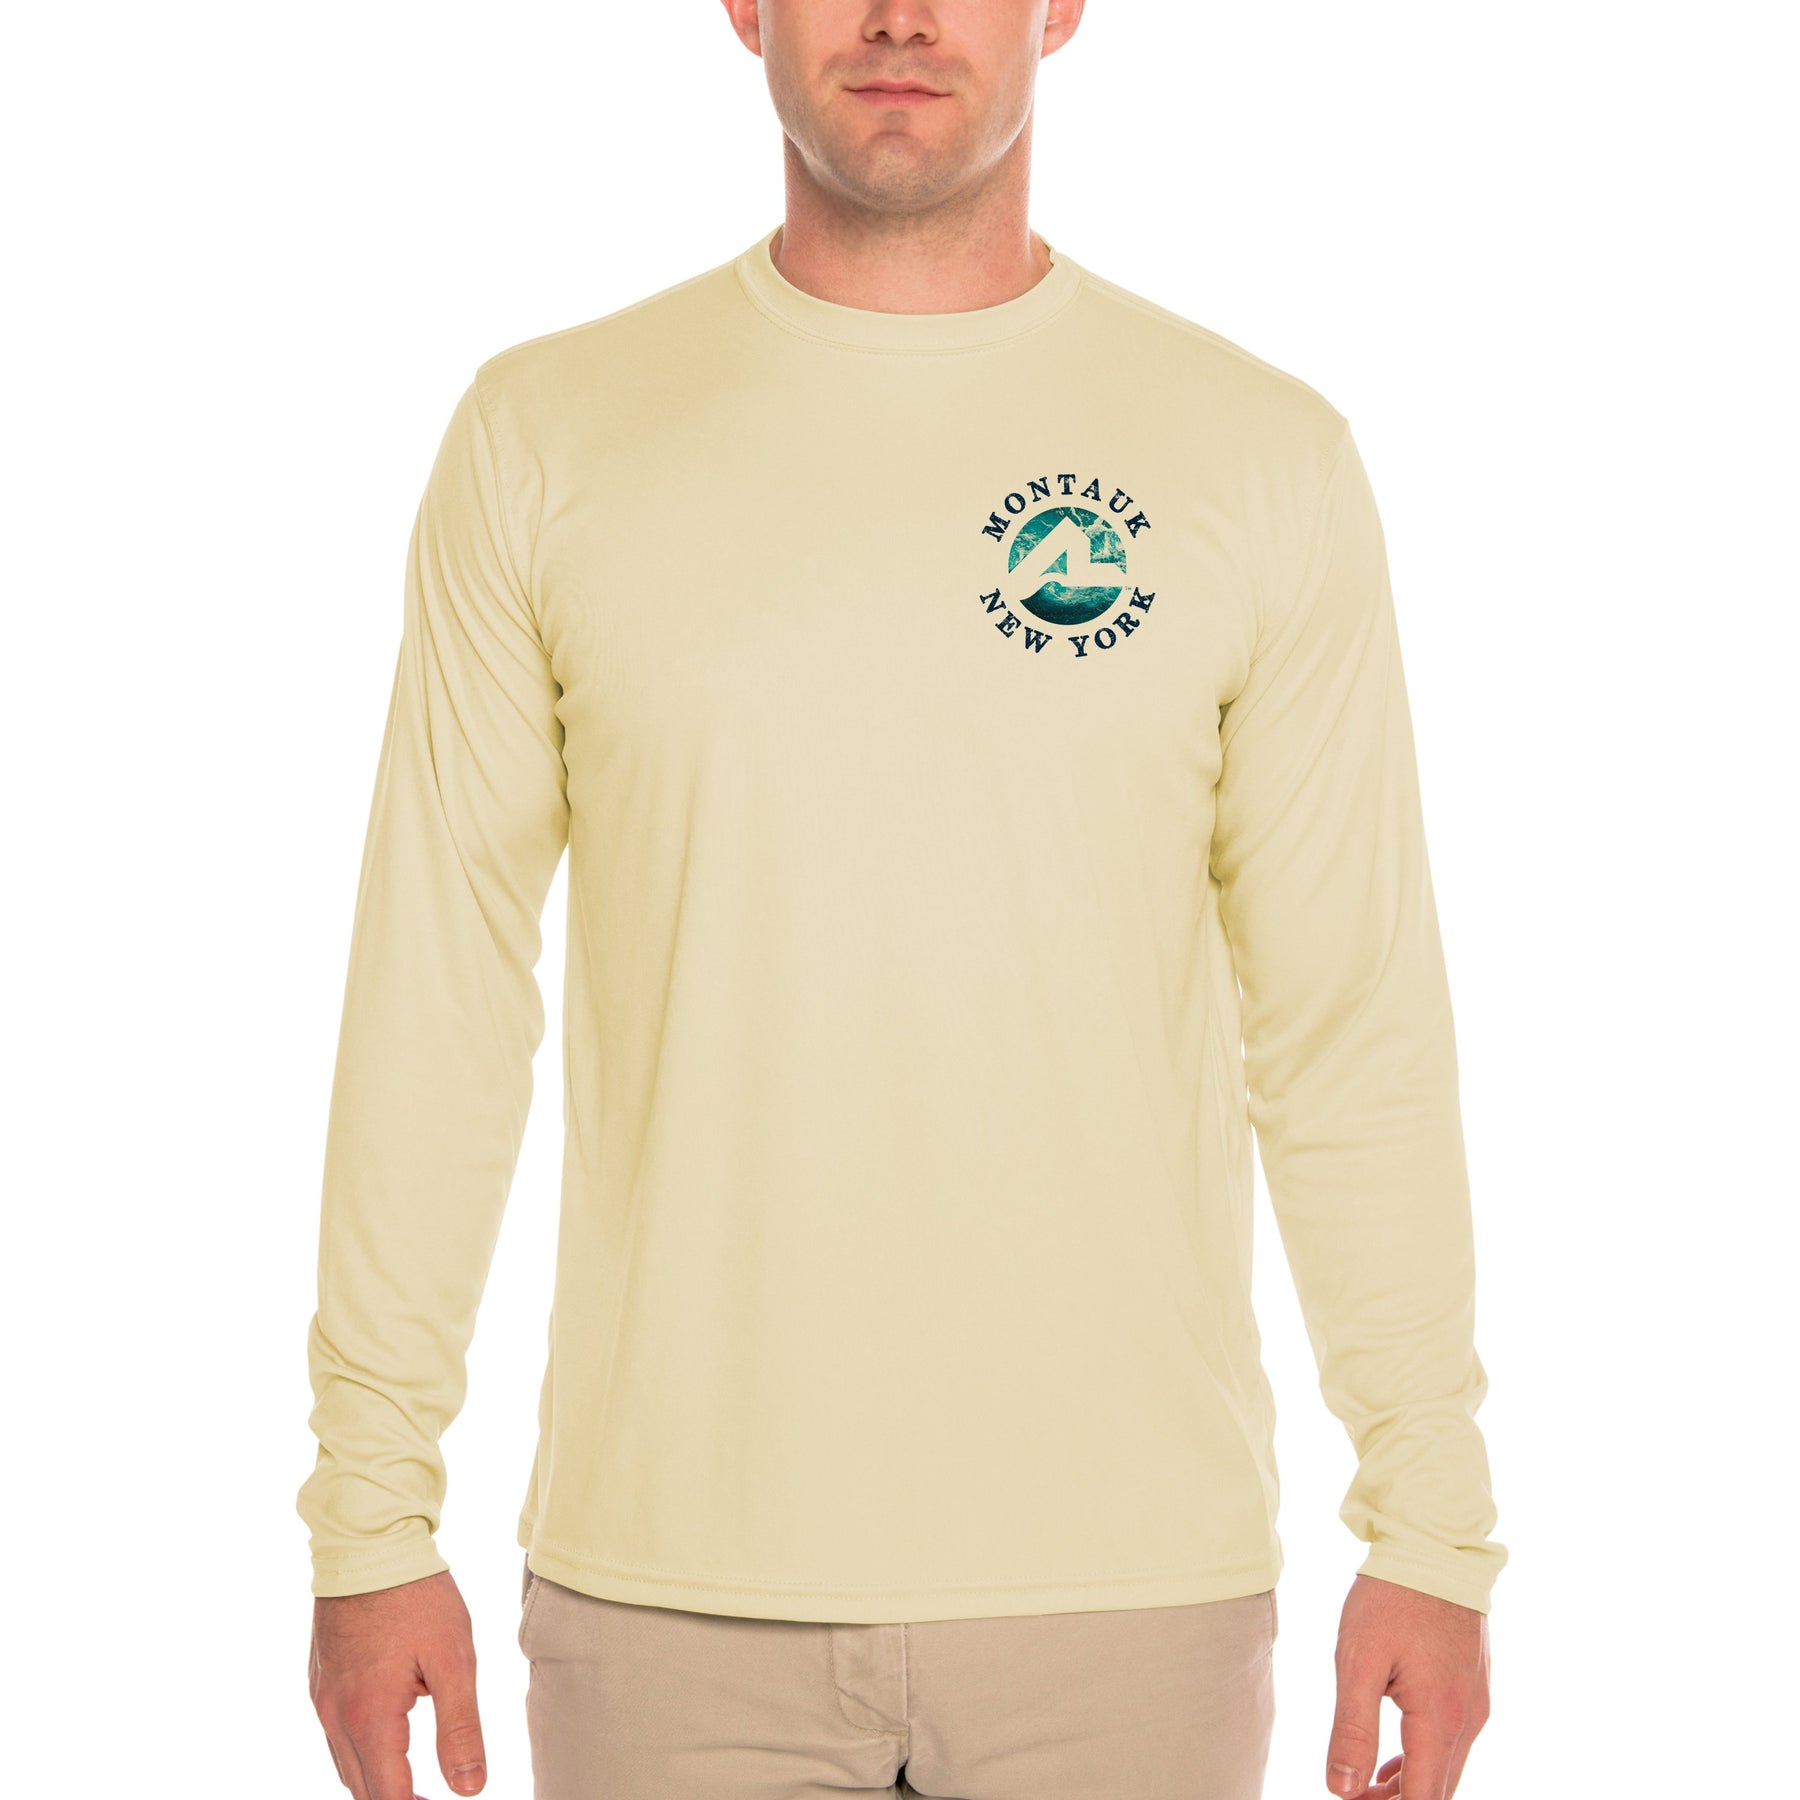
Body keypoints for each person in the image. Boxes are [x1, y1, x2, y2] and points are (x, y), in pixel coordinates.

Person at [298, 2, 1506, 1796]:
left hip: (1125, 1596)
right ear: (743, 6)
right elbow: (440, 1004)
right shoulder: (545, 438)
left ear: (1062, 6)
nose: (899, 15)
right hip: (670, 1596)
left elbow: (1348, 1030)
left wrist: (1431, 1521)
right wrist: (370, 1516)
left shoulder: (1257, 458)